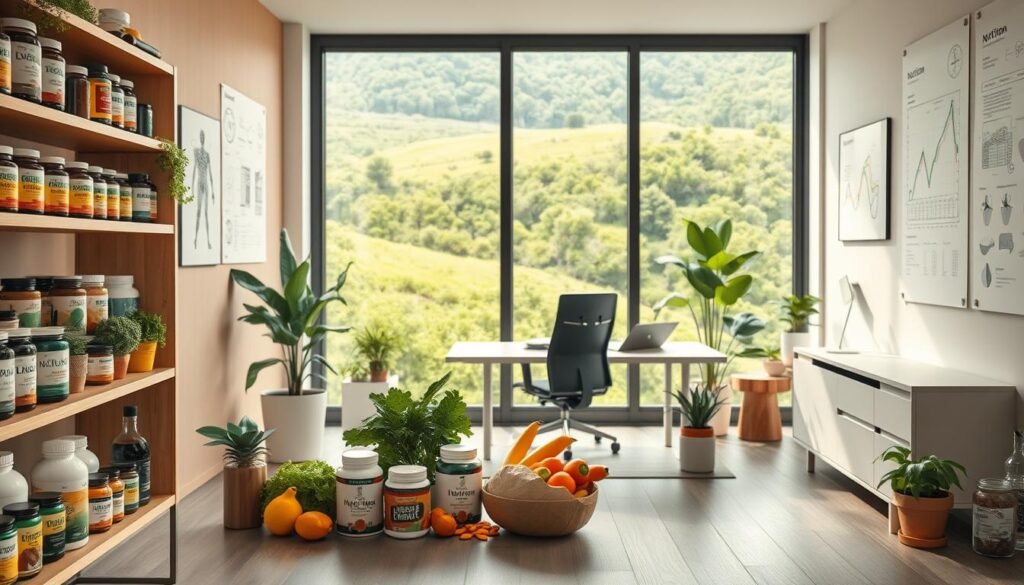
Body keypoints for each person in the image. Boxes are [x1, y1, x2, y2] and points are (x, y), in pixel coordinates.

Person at [192, 129, 216, 249]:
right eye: (200, 136)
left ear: (204, 139)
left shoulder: (207, 155)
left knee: (206, 212)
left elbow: (210, 173)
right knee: (198, 211)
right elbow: (194, 169)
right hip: (200, 181)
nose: (202, 138)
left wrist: (213, 191)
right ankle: (195, 239)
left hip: (205, 182)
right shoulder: (196, 152)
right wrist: (191, 188)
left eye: (203, 136)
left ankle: (208, 241)